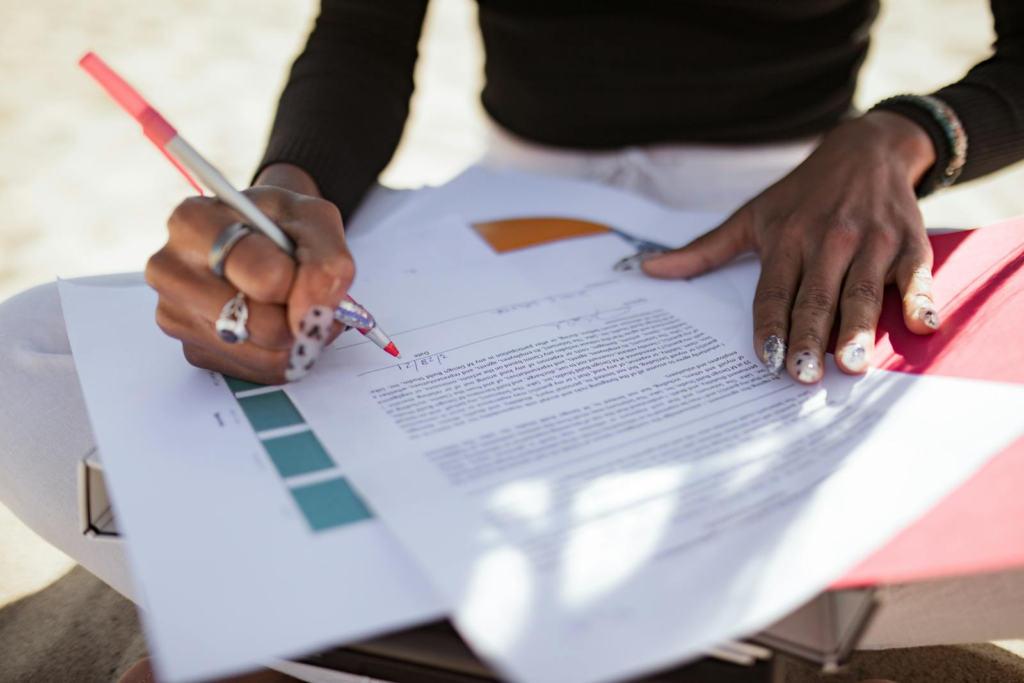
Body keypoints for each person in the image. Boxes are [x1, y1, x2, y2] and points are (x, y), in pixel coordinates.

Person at [2, 2, 1023, 682]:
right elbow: (362, 37)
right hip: (503, 210)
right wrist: (288, 194)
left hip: (796, 210)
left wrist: (904, 136)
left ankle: (345, 645)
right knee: (29, 354)